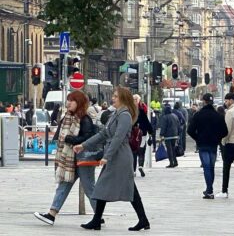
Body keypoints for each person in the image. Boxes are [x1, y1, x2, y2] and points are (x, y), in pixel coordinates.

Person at [73, 87, 150, 231]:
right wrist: (83, 145)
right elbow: (103, 134)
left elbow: (118, 138)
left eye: (115, 96)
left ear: (123, 99)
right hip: (115, 155)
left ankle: (99, 220)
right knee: (117, 187)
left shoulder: (125, 115)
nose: (112, 98)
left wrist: (106, 157)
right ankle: (142, 220)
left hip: (120, 156)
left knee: (112, 187)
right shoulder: (116, 114)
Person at [34, 91, 97, 226]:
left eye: (72, 101)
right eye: (68, 100)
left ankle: (98, 216)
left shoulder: (85, 119)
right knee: (63, 186)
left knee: (89, 189)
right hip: (69, 160)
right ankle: (51, 215)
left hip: (82, 159)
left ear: (79, 103)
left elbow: (89, 137)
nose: (68, 103)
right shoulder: (67, 117)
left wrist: (70, 139)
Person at [187, 93, 228, 199]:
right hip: (213, 144)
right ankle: (209, 189)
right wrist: (217, 138)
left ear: (204, 102)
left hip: (203, 144)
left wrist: (198, 138)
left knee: (206, 167)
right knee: (211, 167)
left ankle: (209, 190)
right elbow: (225, 131)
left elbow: (190, 130)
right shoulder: (218, 115)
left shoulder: (198, 115)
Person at [133, 94, 153, 177]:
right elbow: (147, 123)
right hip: (142, 134)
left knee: (133, 152)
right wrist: (151, 132)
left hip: (133, 135)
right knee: (141, 151)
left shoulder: (129, 111)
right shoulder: (141, 111)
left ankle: (133, 170)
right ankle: (140, 166)